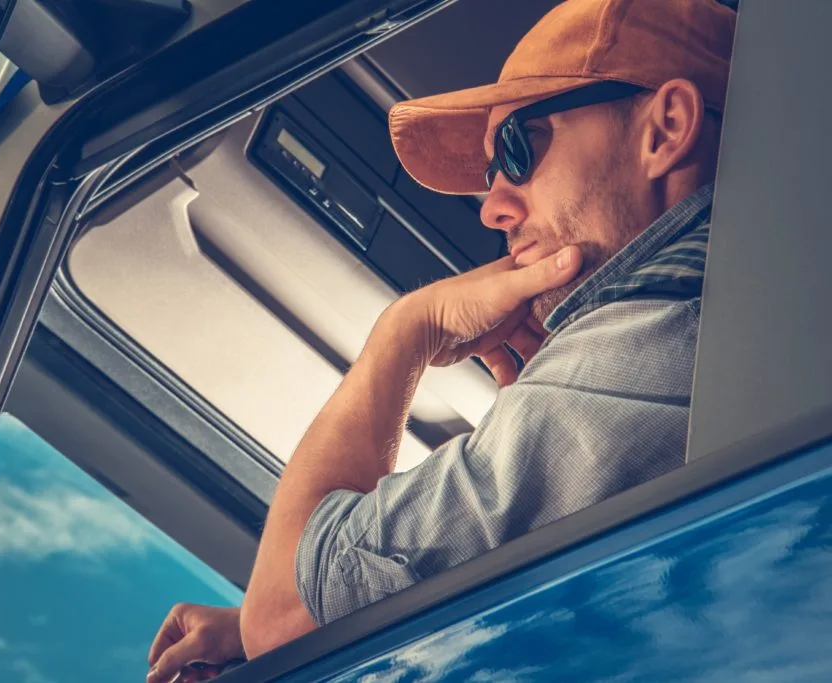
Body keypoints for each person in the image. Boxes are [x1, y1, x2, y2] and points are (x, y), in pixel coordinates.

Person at [147, 0, 736, 679]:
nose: (493, 206)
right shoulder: (714, 322)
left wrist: (406, 331)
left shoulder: (648, 330)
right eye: (490, 177)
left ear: (665, 129)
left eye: (519, 148)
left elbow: (281, 615)